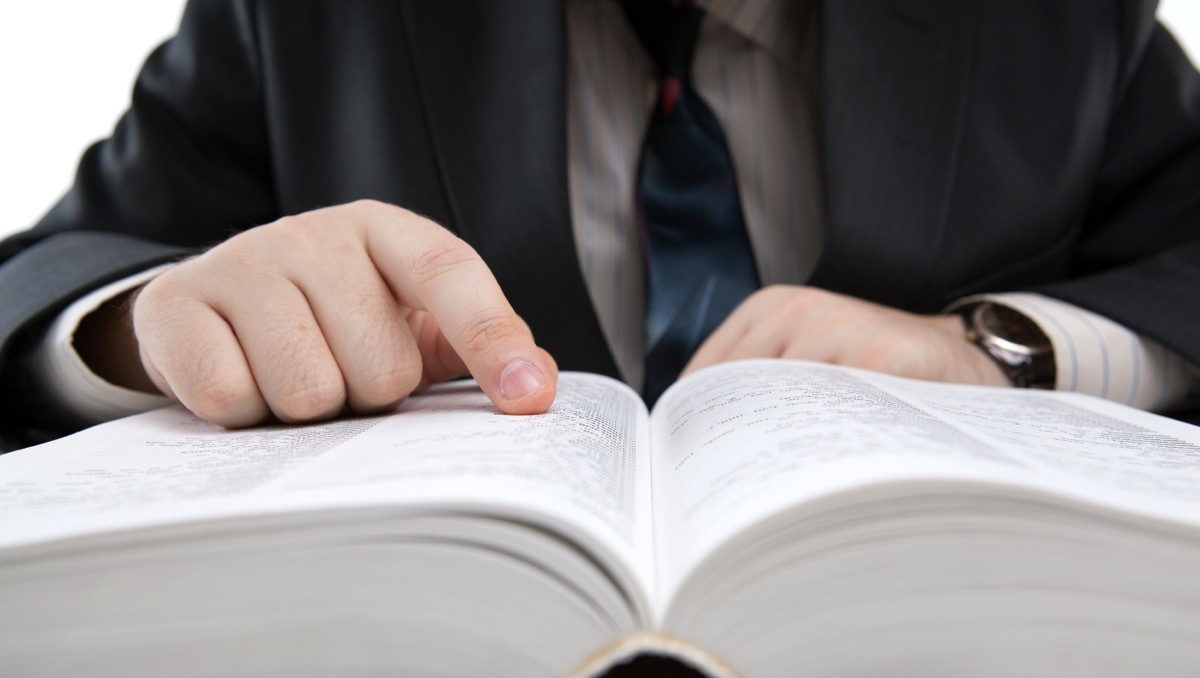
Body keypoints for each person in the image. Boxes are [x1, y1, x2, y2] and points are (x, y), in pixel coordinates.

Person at [1, 0, 1198, 453]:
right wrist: (143, 325)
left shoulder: (1058, 20)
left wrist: (996, 348)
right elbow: (44, 281)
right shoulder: (305, 20)